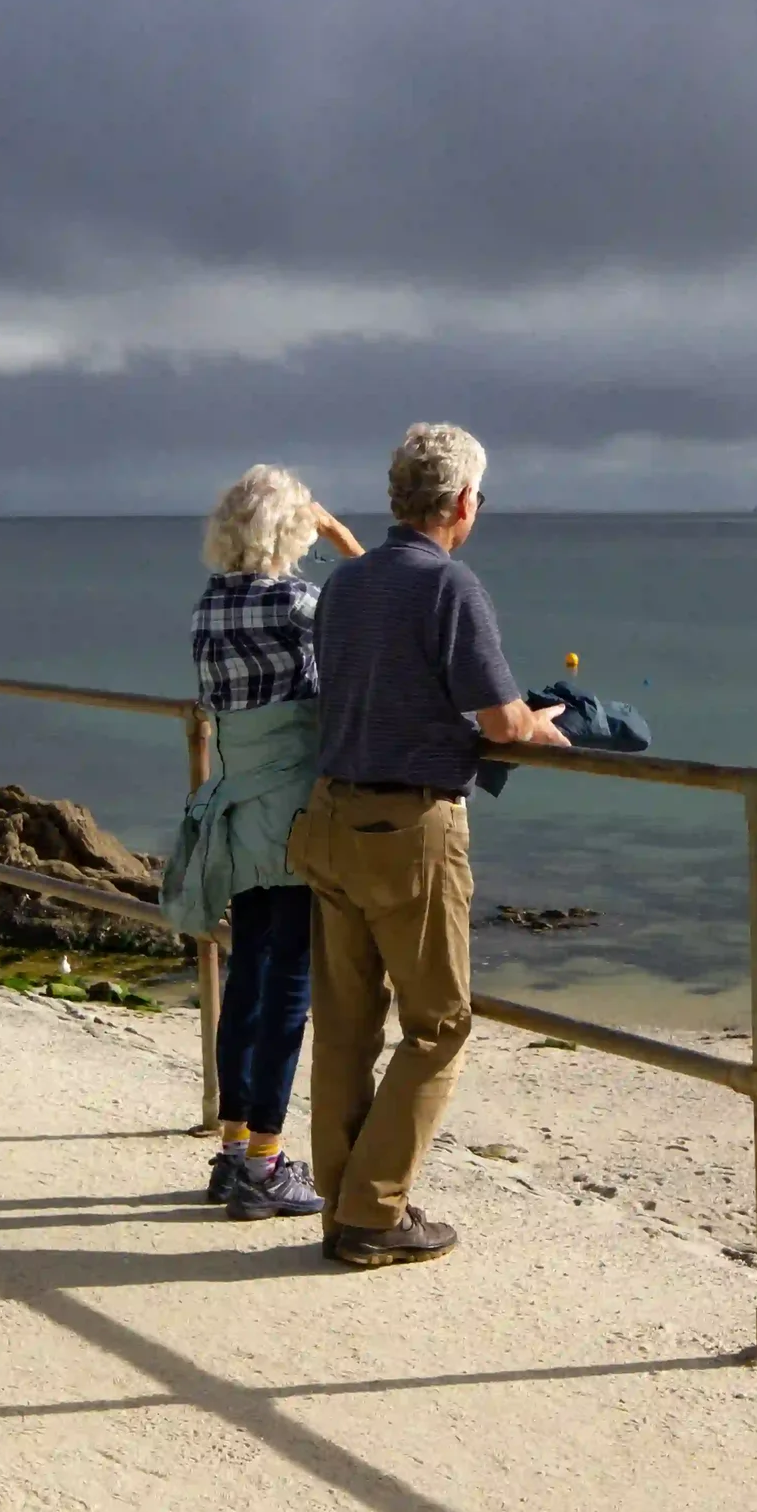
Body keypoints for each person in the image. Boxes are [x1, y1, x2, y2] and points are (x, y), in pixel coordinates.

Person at [287, 423, 569, 1268]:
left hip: (332, 816)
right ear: (464, 504)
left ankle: (341, 1204)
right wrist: (540, 727)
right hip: (409, 829)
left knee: (342, 1027)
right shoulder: (450, 586)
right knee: (438, 1027)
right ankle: (374, 1212)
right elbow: (498, 718)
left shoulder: (347, 584)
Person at [161, 464, 363, 1220]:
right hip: (295, 810)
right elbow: (376, 618)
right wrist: (349, 541)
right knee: (289, 988)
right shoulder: (297, 601)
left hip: (237, 802)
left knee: (247, 976)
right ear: (293, 531)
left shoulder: (208, 607)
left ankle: (233, 1146)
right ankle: (266, 1163)